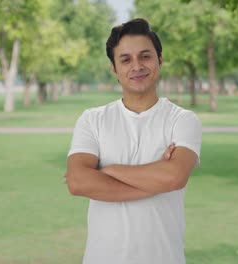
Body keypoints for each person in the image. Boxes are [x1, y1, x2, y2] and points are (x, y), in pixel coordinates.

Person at [65, 18, 202, 264]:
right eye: (126, 59)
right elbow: (76, 182)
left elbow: (175, 177)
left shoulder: (182, 120)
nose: (137, 66)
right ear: (114, 69)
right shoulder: (92, 120)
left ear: (160, 60)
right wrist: (155, 180)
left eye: (145, 56)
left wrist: (108, 170)